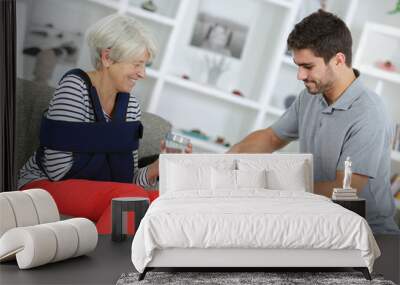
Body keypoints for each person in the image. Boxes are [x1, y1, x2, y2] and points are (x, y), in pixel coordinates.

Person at [229, 10, 399, 234]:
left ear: (338, 60)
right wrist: (224, 163)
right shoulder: (310, 98)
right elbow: (271, 138)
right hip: (321, 221)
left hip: (367, 235)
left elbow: (345, 190)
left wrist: (273, 186)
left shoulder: (369, 114)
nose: (300, 75)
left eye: (308, 67)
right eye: (298, 65)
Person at [18, 14, 191, 234]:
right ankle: (102, 268)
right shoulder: (74, 88)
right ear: (108, 57)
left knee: (161, 200)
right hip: (40, 187)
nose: (143, 73)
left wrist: (156, 169)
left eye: (145, 65)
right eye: (137, 64)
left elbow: (127, 179)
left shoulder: (131, 109)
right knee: (129, 200)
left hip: (91, 190)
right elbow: (57, 170)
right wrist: (110, 161)